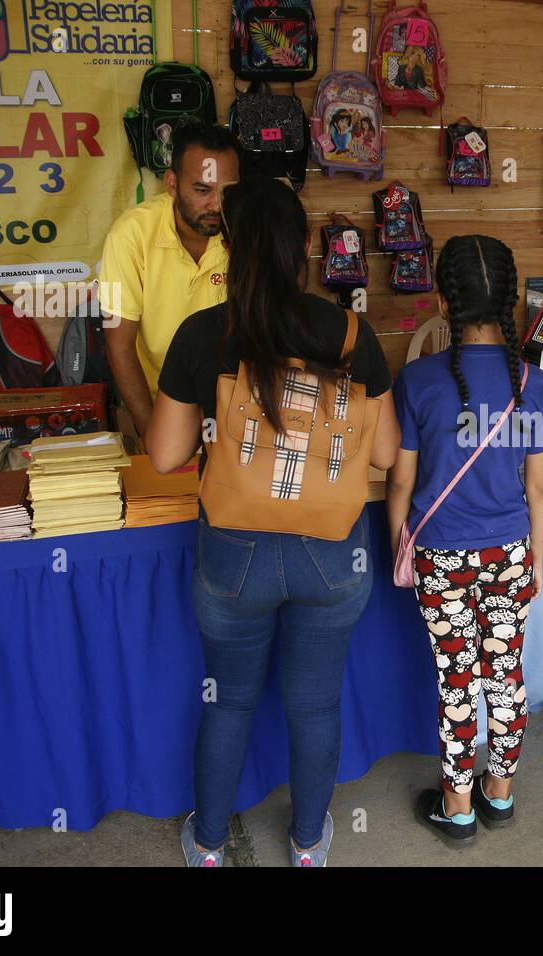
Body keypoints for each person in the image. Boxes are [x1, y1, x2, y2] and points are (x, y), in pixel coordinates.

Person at [146, 177, 400, 867]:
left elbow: (166, 453)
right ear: (308, 248)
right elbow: (382, 453)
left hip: (234, 554)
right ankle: (310, 845)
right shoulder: (350, 332)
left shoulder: (203, 334)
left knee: (227, 703)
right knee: (315, 706)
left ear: (231, 249)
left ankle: (205, 847)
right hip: (333, 554)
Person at [386, 235, 543, 845]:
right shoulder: (531, 384)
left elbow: (401, 478)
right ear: (512, 303)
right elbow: (541, 490)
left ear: (441, 301)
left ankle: (457, 807)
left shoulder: (417, 381)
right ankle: (500, 793)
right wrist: (536, 559)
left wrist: (396, 545)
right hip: (510, 550)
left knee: (457, 678)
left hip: (442, 551)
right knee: (506, 672)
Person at [100, 121, 241, 443]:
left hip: (236, 407)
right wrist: (152, 433)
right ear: (172, 184)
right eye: (202, 190)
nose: (217, 205)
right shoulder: (129, 235)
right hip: (160, 402)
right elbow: (119, 345)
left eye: (226, 190)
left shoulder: (247, 230)